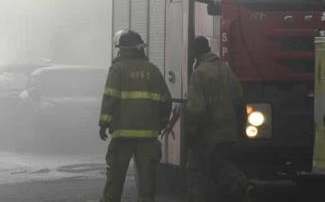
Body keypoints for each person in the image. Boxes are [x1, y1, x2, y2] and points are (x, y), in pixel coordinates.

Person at [99, 30, 172, 202]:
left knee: (115, 177)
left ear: (125, 49)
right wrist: (161, 124)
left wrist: (103, 123)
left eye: (120, 49)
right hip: (148, 136)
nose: (118, 53)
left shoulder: (117, 69)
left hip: (122, 135)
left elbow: (110, 98)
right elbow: (166, 101)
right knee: (147, 181)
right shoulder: (153, 70)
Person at [184, 36, 251, 202]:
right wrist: (241, 129)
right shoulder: (226, 69)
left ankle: (242, 185)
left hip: (208, 135)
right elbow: (240, 101)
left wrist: (191, 133)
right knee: (219, 166)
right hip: (229, 132)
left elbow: (197, 109)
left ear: (194, 53)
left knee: (200, 172)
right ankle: (240, 189)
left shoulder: (199, 74)